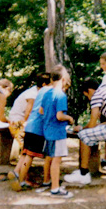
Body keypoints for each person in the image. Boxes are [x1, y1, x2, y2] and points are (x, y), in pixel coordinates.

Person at [7, 73, 52, 191]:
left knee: (25, 153)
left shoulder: (38, 93)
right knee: (30, 156)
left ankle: (16, 172)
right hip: (36, 129)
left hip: (29, 127)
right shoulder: (42, 95)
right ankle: (21, 180)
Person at [40, 65, 75, 198]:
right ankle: (55, 188)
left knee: (49, 158)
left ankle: (47, 181)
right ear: (63, 78)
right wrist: (69, 118)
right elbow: (59, 116)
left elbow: (41, 111)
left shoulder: (46, 93)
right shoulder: (60, 95)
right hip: (57, 132)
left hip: (47, 130)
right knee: (56, 160)